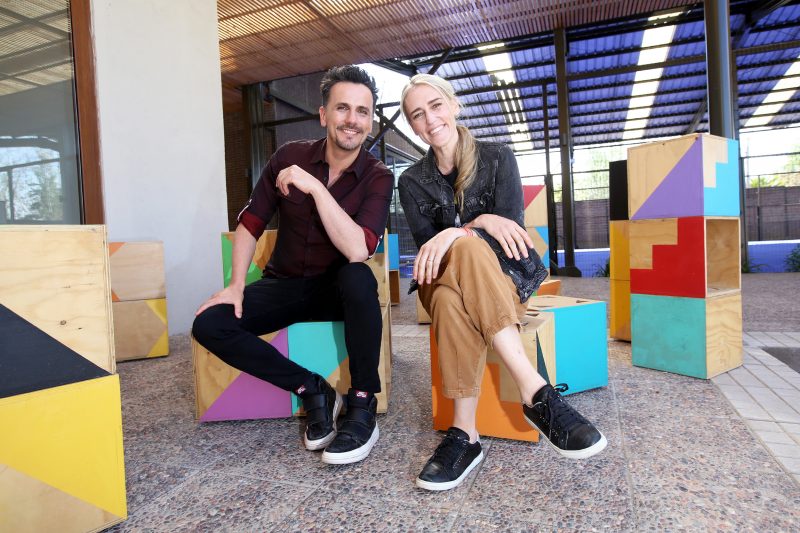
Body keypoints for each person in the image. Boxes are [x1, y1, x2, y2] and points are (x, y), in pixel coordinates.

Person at [398, 73, 607, 491]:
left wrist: (466, 229)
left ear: (454, 106)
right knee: (461, 255)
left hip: (503, 281)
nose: (430, 119)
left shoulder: (497, 158)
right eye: (417, 115)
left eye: (436, 106)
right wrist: (474, 225)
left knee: (453, 298)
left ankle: (464, 436)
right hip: (441, 279)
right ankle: (536, 392)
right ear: (413, 126)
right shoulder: (410, 181)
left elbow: (510, 238)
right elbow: (431, 253)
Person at [193, 65, 393, 465]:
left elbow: (359, 249)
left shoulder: (378, 176)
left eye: (362, 111)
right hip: (284, 284)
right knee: (209, 323)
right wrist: (235, 285)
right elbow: (251, 223)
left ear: (370, 121)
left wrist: (316, 188)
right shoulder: (288, 157)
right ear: (323, 114)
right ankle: (312, 389)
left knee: (358, 276)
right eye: (342, 108)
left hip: (337, 290)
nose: (352, 120)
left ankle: (362, 402)